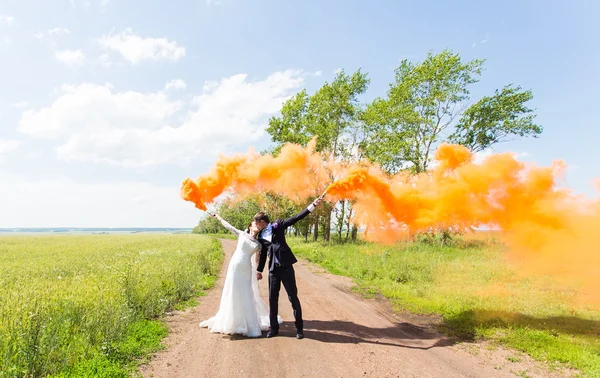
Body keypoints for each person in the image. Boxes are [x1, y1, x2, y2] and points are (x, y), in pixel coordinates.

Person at [199, 213, 282, 337]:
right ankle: (232, 320)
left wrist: (258, 271)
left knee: (246, 292)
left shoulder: (259, 244)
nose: (257, 225)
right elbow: (229, 226)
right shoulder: (241, 234)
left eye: (258, 224)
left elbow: (259, 258)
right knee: (233, 290)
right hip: (235, 266)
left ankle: (248, 322)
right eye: (254, 223)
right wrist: (218, 217)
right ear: (250, 226)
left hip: (246, 268)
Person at [254, 197, 323, 339]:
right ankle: (274, 329)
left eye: (257, 223)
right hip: (273, 270)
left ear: (261, 222)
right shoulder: (261, 236)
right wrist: (259, 270)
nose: (256, 226)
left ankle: (299, 329)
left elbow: (296, 218)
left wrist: (312, 206)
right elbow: (263, 255)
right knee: (273, 299)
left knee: (293, 297)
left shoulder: (278, 225)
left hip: (286, 268)